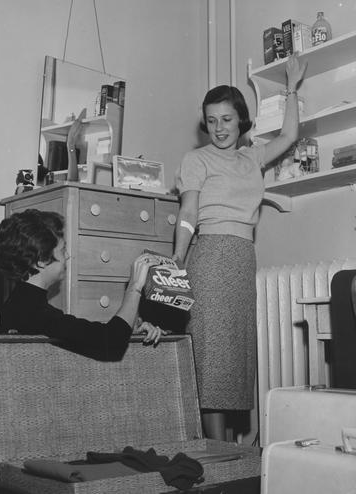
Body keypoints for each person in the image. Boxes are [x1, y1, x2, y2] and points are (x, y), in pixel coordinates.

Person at [173, 54, 307, 440]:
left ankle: (226, 453)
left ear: (241, 119)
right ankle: (217, 458)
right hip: (211, 258)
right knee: (213, 357)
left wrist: (291, 89)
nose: (219, 128)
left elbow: (288, 137)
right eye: (211, 121)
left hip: (242, 259)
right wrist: (179, 258)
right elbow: (189, 210)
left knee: (233, 357)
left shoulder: (252, 157)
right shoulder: (196, 159)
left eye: (227, 119)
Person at [0, 208, 165, 361]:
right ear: (41, 260)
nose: (67, 256)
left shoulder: (21, 305)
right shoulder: (32, 312)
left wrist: (128, 332)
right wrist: (134, 286)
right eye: (62, 250)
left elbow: (87, 339)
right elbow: (110, 343)